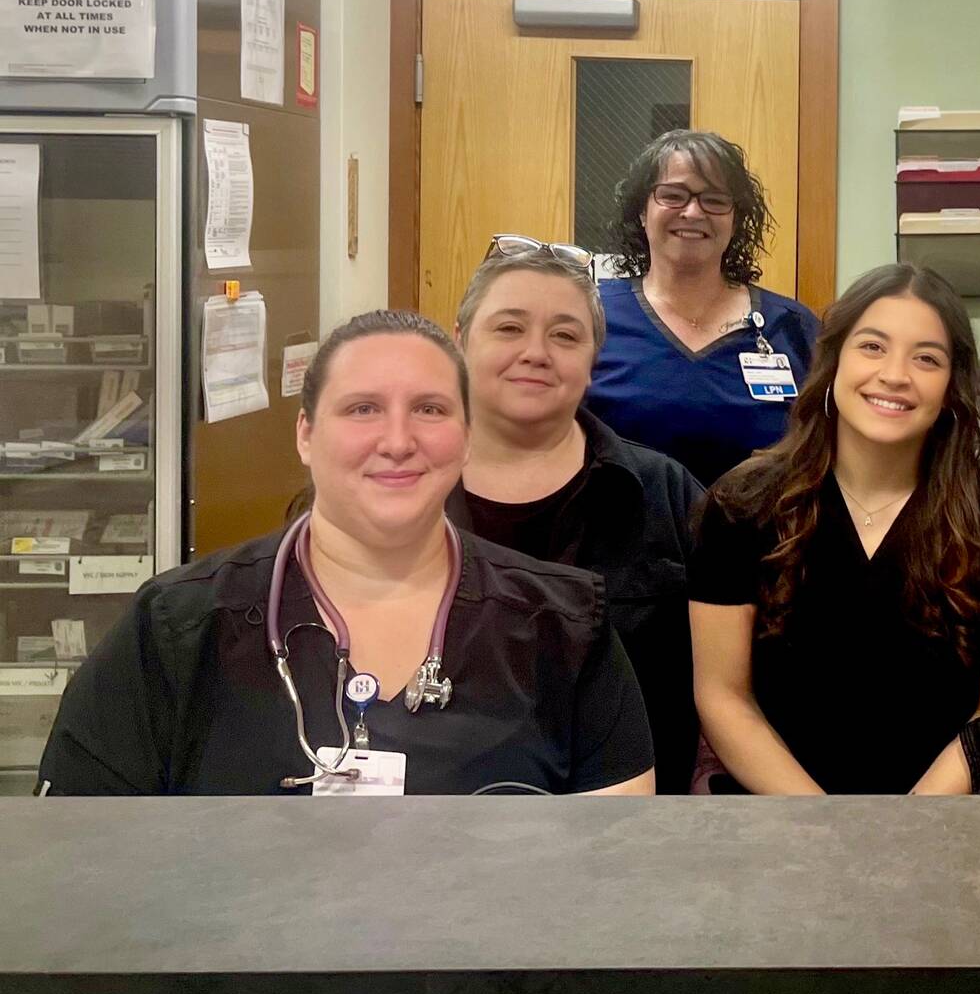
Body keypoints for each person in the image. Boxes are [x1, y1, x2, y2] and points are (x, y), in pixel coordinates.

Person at [37, 311, 657, 796]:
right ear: (306, 434)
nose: (397, 441)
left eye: (430, 410)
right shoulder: (176, 630)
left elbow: (609, 875)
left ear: (467, 437)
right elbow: (88, 861)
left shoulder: (567, 626)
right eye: (362, 409)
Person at [688, 264, 980, 795]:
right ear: (833, 360)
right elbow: (723, 695)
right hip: (780, 819)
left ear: (952, 386)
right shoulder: (743, 504)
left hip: (944, 821)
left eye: (926, 358)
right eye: (873, 347)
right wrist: (823, 825)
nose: (895, 375)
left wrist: (909, 823)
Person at [447, 236, 706, 793]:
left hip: (632, 826)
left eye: (565, 335)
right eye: (509, 328)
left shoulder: (665, 494)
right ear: (461, 343)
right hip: (435, 830)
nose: (536, 352)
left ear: (593, 361)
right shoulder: (400, 493)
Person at [585, 130, 821, 486]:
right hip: (620, 538)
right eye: (673, 195)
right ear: (642, 212)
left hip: (762, 539)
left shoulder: (792, 327)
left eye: (714, 199)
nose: (693, 212)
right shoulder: (590, 316)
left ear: (735, 219)